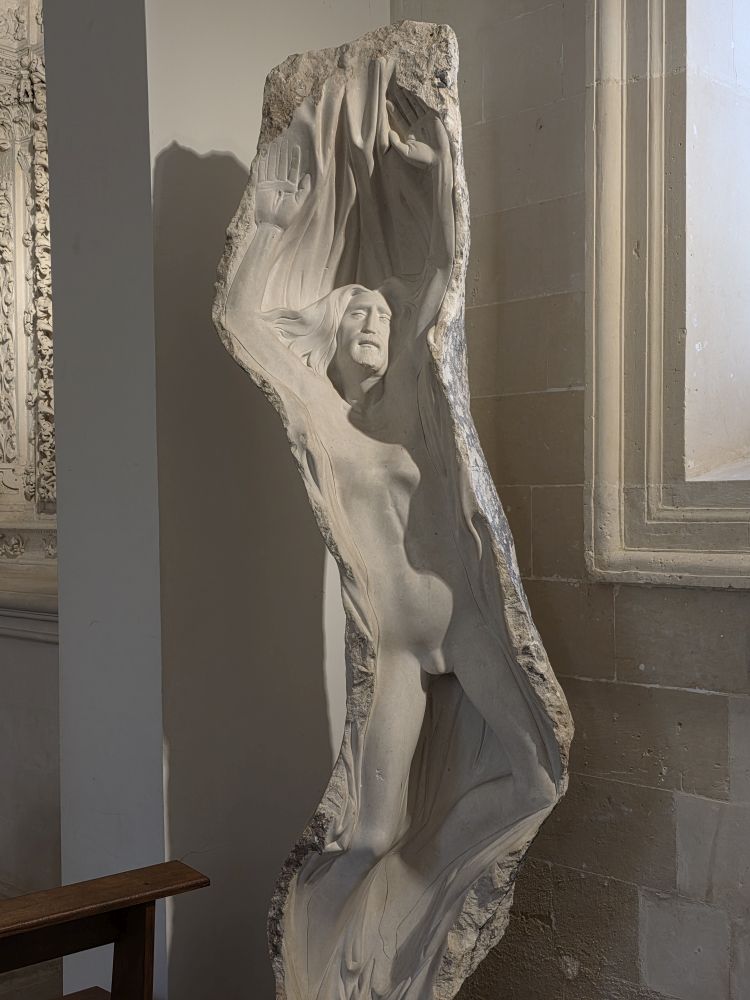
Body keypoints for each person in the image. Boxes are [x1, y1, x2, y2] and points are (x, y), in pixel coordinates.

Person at [221, 81, 558, 999]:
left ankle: (418, 901)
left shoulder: (416, 401)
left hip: (464, 617)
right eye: (356, 316)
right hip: (398, 648)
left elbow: (445, 273)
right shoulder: (323, 422)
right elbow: (244, 323)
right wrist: (268, 224)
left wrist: (442, 155)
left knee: (538, 774)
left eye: (380, 314)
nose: (373, 323)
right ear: (330, 338)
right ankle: (324, 968)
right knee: (369, 831)